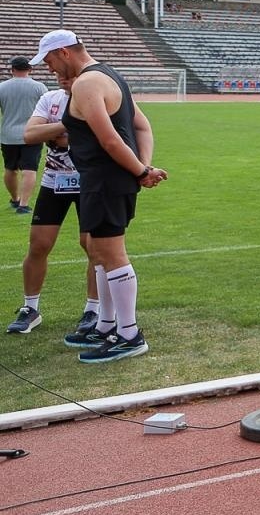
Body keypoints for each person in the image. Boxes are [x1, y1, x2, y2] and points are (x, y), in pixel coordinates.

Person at [31, 30, 166, 363]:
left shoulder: (88, 83)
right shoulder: (110, 75)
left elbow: (110, 140)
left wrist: (140, 171)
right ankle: (106, 325)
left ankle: (129, 335)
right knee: (98, 251)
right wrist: (142, 167)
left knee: (111, 253)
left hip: (105, 180)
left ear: (63, 53)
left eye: (48, 61)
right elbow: (142, 126)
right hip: (103, 179)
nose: (49, 69)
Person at [6, 71, 98, 339]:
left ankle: (92, 310)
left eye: (68, 75)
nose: (62, 79)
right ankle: (30, 308)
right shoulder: (50, 98)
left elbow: (102, 136)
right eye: (60, 75)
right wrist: (66, 126)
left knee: (93, 246)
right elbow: (30, 134)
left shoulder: (94, 97)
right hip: (53, 182)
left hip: (90, 182)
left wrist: (59, 131)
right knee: (39, 245)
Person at [1, 56, 47, 216]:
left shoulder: (2, 87)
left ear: (12, 69)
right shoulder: (39, 87)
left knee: (10, 169)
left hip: (8, 135)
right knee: (29, 169)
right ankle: (24, 204)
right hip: (32, 133)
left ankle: (14, 198)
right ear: (30, 69)